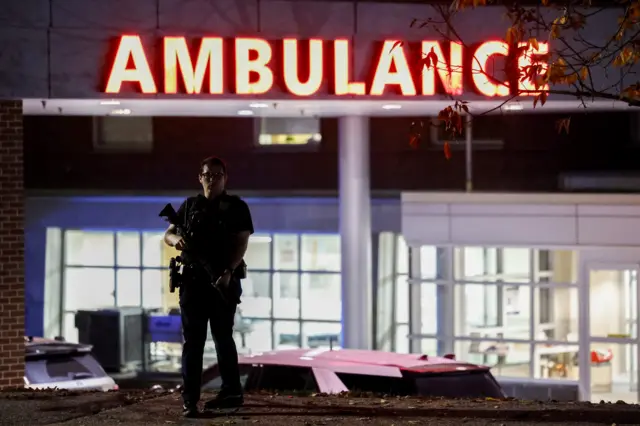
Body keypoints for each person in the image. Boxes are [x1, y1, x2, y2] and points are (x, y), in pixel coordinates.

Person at [164, 156, 254, 418]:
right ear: (199, 177)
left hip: (222, 281)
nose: (212, 179)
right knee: (193, 342)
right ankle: (189, 400)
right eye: (207, 175)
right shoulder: (190, 206)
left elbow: (241, 242)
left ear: (225, 178)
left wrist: (227, 272)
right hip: (192, 282)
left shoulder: (236, 207)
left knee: (223, 338)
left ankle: (231, 392)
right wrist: (177, 239)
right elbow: (169, 233)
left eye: (217, 175)